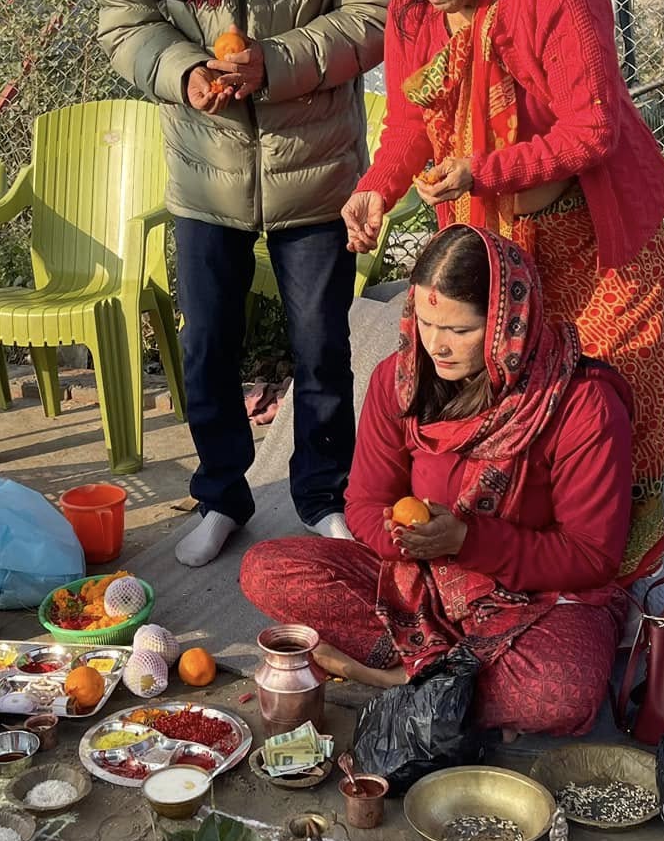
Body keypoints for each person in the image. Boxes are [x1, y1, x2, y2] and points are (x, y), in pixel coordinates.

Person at [99, 0, 401, 567]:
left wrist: (276, 64)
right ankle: (222, 497)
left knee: (319, 348)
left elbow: (377, 13)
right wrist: (183, 70)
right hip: (205, 174)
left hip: (315, 172)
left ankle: (322, 496)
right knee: (207, 350)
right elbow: (123, 21)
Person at [342, 0, 664, 584]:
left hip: (596, 237)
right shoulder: (410, 17)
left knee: (613, 389)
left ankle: (616, 575)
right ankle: (517, 553)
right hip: (497, 246)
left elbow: (592, 132)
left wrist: (481, 171)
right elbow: (408, 127)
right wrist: (376, 187)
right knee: (507, 387)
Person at [239, 225, 632, 736]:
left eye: (460, 331)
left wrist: (468, 540)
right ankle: (450, 680)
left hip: (531, 598)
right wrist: (412, 544)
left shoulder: (580, 404)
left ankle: (394, 677)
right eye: (426, 323)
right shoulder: (399, 380)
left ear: (508, 324)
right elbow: (363, 506)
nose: (437, 347)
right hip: (416, 583)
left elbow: (591, 555)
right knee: (266, 569)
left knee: (558, 694)